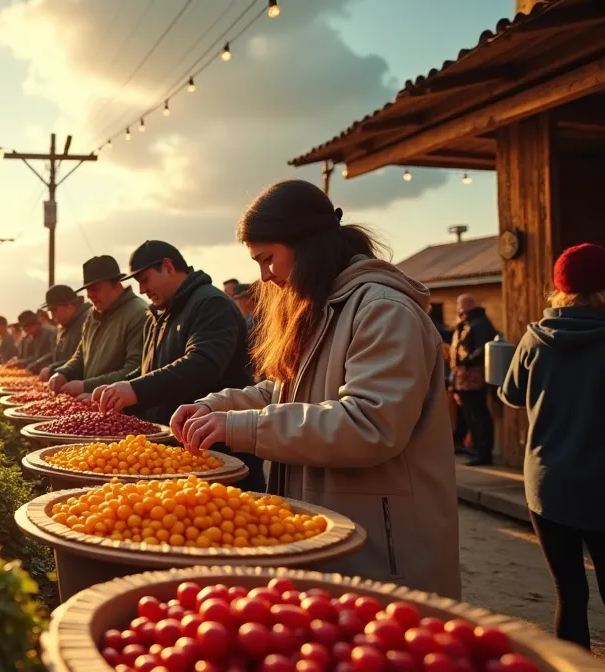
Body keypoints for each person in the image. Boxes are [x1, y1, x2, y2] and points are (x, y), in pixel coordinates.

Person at [172, 179, 460, 598]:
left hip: (380, 551)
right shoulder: (319, 306)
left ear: (306, 244)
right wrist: (216, 406)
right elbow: (282, 392)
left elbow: (369, 424)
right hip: (325, 534)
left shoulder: (383, 311)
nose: (265, 277)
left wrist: (242, 428)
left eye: (268, 259)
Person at [498, 243, 605, 650]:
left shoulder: (535, 338)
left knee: (569, 592)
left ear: (560, 288)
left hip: (548, 482)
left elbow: (510, 395)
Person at [92, 241, 265, 492]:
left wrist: (136, 389)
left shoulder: (211, 304)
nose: (141, 289)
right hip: (177, 457)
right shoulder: (158, 315)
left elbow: (203, 364)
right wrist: (119, 388)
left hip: (217, 458)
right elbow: (152, 369)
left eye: (144, 279)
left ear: (168, 267)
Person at [49, 255, 149, 396]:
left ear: (116, 284)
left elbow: (134, 370)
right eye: (88, 290)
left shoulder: (138, 313)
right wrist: (63, 373)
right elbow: (80, 355)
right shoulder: (93, 314)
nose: (90, 295)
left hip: (117, 405)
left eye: (96, 288)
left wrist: (87, 386)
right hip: (92, 400)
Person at [451, 294, 498, 466]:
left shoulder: (479, 324)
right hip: (465, 378)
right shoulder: (468, 323)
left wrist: (465, 363)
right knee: (471, 415)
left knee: (478, 415)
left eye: (460, 305)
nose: (458, 308)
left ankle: (483, 452)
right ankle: (477, 449)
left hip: (474, 377)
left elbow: (483, 349)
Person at [35, 285, 91, 378]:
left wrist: (53, 369)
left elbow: (82, 359)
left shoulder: (87, 321)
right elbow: (57, 356)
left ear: (70, 307)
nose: (52, 316)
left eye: (54, 310)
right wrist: (40, 364)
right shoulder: (65, 326)